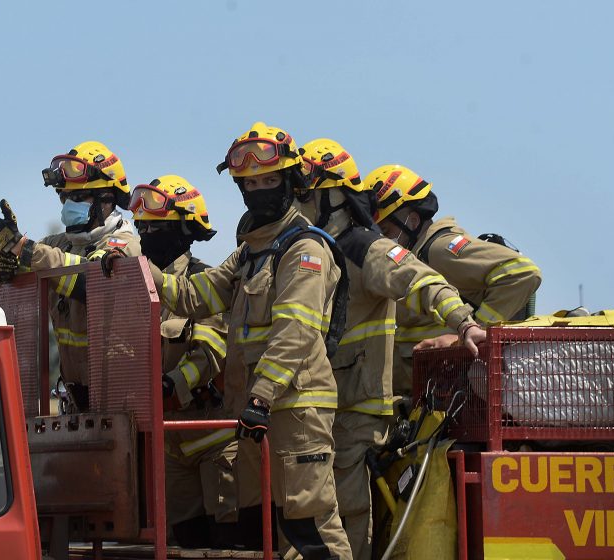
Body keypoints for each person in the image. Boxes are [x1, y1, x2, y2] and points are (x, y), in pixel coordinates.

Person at [139, 122, 352, 559]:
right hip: (258, 414)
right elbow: (196, 295)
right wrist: (137, 269)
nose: (258, 191)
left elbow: (295, 333)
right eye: (249, 184)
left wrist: (261, 397)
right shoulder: (251, 251)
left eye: (269, 180)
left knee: (309, 525)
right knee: (275, 531)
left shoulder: (303, 249)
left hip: (292, 409)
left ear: (292, 182)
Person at [295, 140, 486, 560]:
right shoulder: (309, 251)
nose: (297, 202)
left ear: (334, 194)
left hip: (356, 412)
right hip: (317, 409)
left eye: (304, 192)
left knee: (347, 517)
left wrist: (465, 323)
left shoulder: (367, 248)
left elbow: (422, 280)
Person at [0, 140, 142, 412]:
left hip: (119, 402)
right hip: (75, 402)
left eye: (77, 198)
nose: (68, 206)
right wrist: (0, 257)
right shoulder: (59, 243)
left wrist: (20, 247)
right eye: (64, 197)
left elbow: (90, 279)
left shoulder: (123, 244)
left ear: (106, 199)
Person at [367, 164, 542, 395]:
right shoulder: (415, 259)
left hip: (463, 383)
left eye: (387, 231)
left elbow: (523, 272)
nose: (385, 240)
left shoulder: (438, 249)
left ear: (412, 221)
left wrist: (472, 333)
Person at [130, 174, 237, 547]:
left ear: (183, 230)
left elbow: (211, 351)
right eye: (140, 227)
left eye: (155, 227)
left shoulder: (204, 282)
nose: (145, 236)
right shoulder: (135, 288)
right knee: (184, 543)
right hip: (168, 443)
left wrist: (172, 384)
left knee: (226, 540)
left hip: (212, 439)